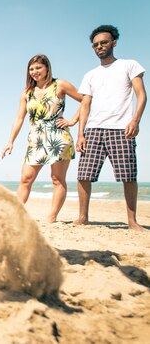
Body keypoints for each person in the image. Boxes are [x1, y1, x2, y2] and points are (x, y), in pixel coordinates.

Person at [75, 25, 146, 230]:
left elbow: (141, 94)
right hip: (94, 130)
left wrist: (135, 120)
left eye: (104, 42)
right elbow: (85, 105)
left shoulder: (129, 65)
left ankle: (132, 221)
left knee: (128, 176)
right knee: (84, 175)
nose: (100, 47)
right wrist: (81, 134)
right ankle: (82, 217)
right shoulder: (90, 75)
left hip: (121, 130)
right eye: (96, 45)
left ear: (114, 42)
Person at [1, 54, 83, 222]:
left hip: (58, 136)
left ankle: (52, 216)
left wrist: (73, 120)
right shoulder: (27, 93)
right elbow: (19, 118)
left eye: (38, 67)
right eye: (31, 69)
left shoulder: (60, 84)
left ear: (47, 68)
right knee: (26, 178)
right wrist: (10, 141)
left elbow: (86, 100)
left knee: (57, 179)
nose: (35, 71)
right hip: (36, 138)